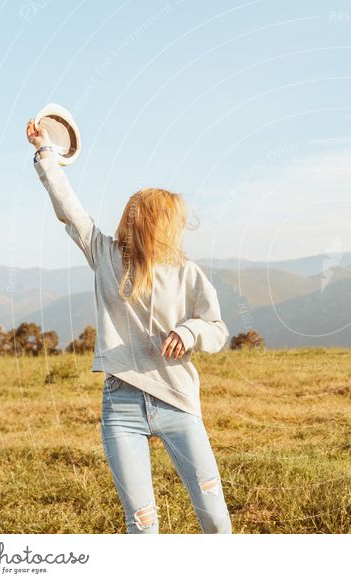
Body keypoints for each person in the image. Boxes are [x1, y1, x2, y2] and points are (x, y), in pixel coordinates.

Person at [26, 118, 232, 534]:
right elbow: (71, 211)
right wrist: (46, 153)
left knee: (213, 515)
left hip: (178, 402)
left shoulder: (186, 273)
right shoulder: (105, 256)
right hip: (120, 407)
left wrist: (189, 331)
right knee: (142, 523)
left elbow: (217, 328)